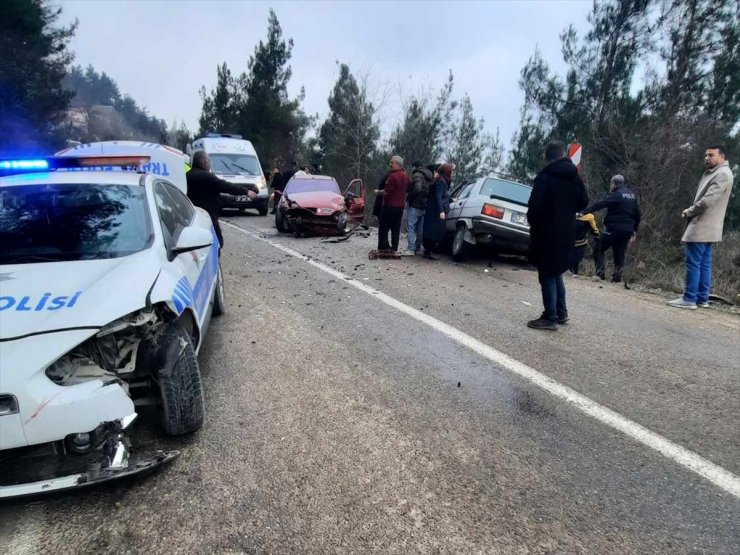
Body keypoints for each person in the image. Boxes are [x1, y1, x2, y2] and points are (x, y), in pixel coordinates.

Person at [526, 141, 589, 330]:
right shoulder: (574, 177)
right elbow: (583, 202)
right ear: (563, 155)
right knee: (556, 271)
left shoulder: (545, 177)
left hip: (546, 232)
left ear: (547, 157)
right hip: (567, 230)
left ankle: (550, 316)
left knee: (546, 273)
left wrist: (534, 221)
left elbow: (534, 207)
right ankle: (561, 312)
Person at [668, 145, 734, 309]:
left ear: (722, 156)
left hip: (702, 225)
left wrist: (689, 212)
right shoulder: (721, 173)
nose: (707, 158)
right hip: (710, 227)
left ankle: (689, 298)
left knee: (694, 263)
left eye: (711, 155)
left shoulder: (722, 174)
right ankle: (701, 298)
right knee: (704, 263)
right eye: (706, 155)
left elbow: (707, 201)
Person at [186, 151, 258, 252]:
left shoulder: (187, 176)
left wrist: (235, 199)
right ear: (205, 162)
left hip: (192, 218)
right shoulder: (207, 176)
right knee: (218, 243)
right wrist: (246, 191)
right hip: (209, 218)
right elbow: (226, 186)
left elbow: (215, 197)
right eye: (209, 162)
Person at [579, 174, 641, 282]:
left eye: (611, 184)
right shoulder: (631, 195)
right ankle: (617, 278)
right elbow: (638, 214)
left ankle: (600, 275)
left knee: (599, 248)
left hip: (614, 228)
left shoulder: (616, 194)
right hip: (628, 230)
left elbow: (600, 204)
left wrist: (582, 212)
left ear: (613, 183)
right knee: (619, 253)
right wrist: (634, 230)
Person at [375, 155, 409, 252]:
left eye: (392, 163)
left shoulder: (392, 176)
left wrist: (378, 192)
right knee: (396, 229)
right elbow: (410, 188)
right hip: (400, 207)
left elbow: (387, 191)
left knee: (383, 228)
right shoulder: (405, 175)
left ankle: (382, 248)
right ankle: (394, 248)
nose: (390, 165)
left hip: (389, 206)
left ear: (397, 164)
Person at [422, 163, 453, 259]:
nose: (452, 173)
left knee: (432, 230)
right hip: (435, 210)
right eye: (451, 171)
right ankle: (429, 251)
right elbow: (438, 197)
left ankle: (428, 250)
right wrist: (441, 211)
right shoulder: (441, 182)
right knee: (434, 231)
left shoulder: (441, 180)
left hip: (433, 209)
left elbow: (442, 195)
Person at [403, 160, 434, 256]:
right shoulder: (429, 175)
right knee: (419, 229)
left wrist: (409, 197)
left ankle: (411, 249)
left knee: (410, 227)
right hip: (424, 206)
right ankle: (416, 247)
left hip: (415, 205)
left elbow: (418, 188)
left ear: (414, 167)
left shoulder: (417, 175)